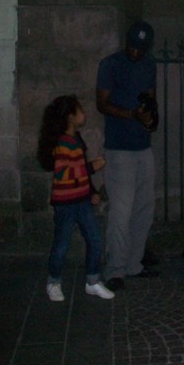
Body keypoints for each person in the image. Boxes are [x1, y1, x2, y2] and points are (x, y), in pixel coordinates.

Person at [96, 21, 160, 292]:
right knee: (121, 211)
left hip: (143, 146)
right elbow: (102, 104)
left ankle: (134, 264)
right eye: (133, 47)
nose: (135, 52)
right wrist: (132, 114)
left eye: (141, 49)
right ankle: (115, 270)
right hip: (120, 147)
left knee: (145, 208)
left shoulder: (149, 64)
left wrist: (150, 118)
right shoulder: (111, 64)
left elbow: (150, 98)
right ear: (126, 42)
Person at [37, 95, 114, 302]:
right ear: (70, 116)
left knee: (95, 240)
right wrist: (91, 167)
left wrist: (91, 192)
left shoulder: (76, 139)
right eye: (80, 110)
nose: (84, 114)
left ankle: (92, 281)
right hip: (65, 204)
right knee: (61, 245)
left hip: (82, 200)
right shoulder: (62, 143)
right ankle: (53, 282)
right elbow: (64, 173)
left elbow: (80, 172)